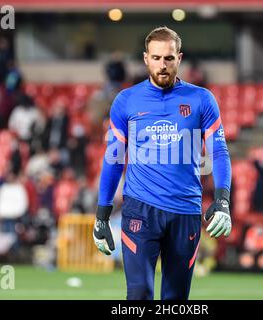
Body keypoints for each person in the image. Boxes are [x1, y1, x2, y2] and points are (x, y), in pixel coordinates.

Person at [92, 27, 232, 300]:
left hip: (186, 211)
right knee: (140, 293)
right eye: (156, 58)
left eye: (168, 58)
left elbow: (219, 151)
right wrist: (102, 215)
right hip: (139, 211)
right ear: (146, 59)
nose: (162, 65)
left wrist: (223, 199)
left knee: (175, 299)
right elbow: (113, 159)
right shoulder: (126, 101)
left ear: (179, 58)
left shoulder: (202, 99)